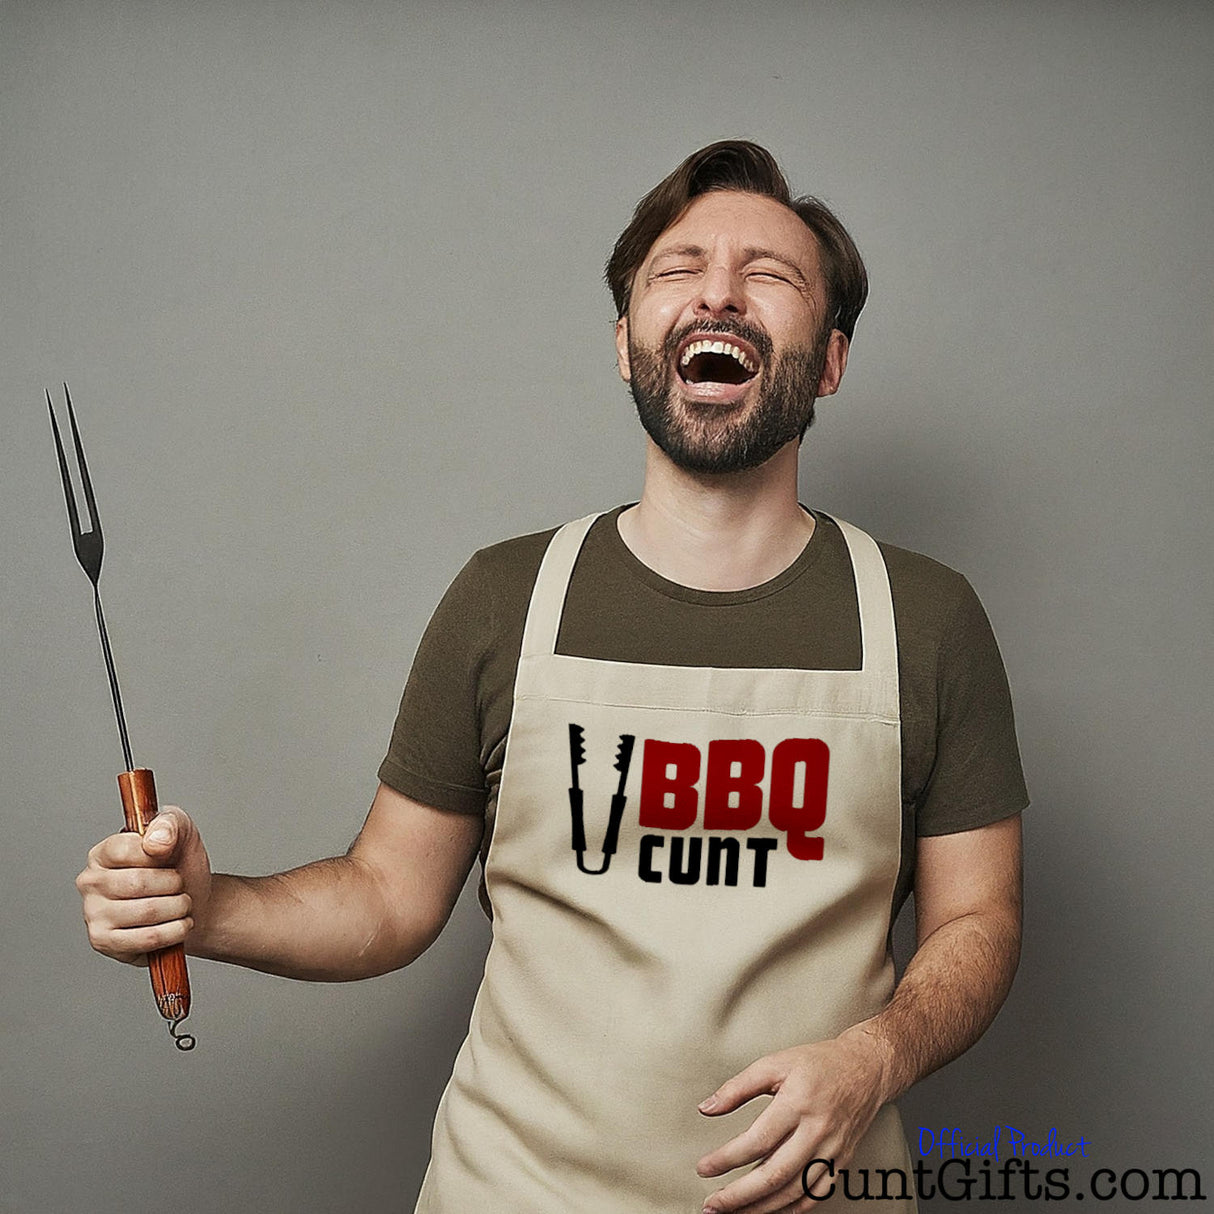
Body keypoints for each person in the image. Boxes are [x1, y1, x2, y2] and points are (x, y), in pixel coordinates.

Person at [76, 141, 1026, 1213]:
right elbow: (388, 894)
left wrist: (878, 1057)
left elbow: (977, 920)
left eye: (770, 273)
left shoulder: (926, 618)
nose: (717, 289)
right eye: (676, 269)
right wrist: (208, 909)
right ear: (626, 344)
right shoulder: (503, 597)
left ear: (829, 360)